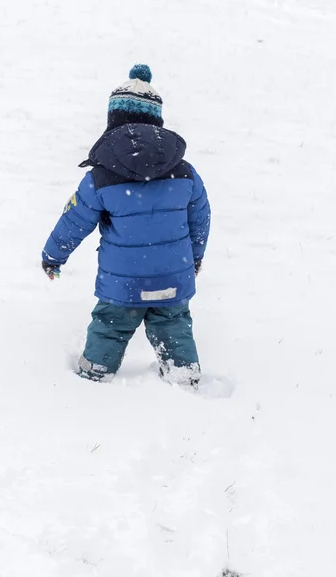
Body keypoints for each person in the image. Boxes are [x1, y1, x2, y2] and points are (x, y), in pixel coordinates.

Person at [41, 64, 210, 385]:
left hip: (123, 284)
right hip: (173, 278)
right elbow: (200, 219)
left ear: (113, 122)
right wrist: (196, 257)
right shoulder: (185, 172)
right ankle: (184, 375)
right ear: (157, 122)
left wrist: (53, 257)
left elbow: (73, 221)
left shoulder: (101, 177)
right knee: (172, 322)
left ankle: (95, 372)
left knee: (110, 325)